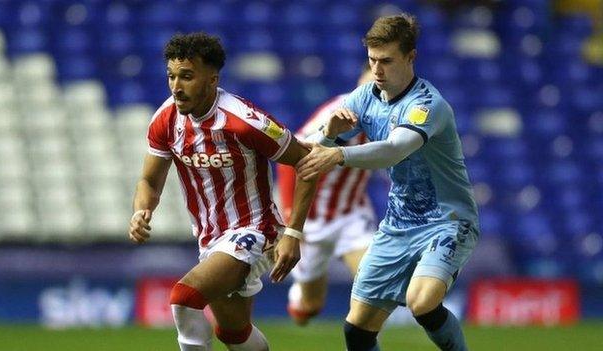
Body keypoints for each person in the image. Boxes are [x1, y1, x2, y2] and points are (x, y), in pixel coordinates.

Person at [296, 14, 480, 351]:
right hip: (398, 226)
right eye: (372, 60)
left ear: (411, 57)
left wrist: (339, 155)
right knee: (357, 330)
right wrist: (329, 133)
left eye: (386, 61)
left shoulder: (427, 106)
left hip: (447, 221)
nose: (378, 70)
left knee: (421, 301)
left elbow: (394, 150)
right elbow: (313, 144)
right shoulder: (365, 96)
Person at [128, 32, 316, 351]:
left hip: (254, 230)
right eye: (172, 76)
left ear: (212, 79)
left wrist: (293, 233)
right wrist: (141, 210)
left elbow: (307, 162)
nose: (176, 86)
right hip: (209, 238)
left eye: (187, 76)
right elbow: (149, 181)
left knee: (184, 298)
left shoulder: (244, 121)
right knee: (234, 333)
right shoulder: (165, 119)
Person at [276, 64, 376, 325]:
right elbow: (290, 159)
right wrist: (291, 219)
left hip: (352, 213)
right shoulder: (337, 115)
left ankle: (361, 335)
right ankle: (301, 299)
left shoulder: (392, 117)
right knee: (309, 308)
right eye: (367, 89)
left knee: (374, 285)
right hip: (313, 218)